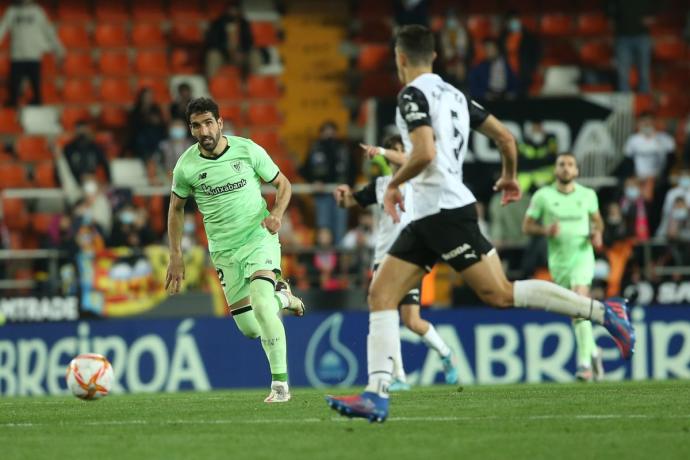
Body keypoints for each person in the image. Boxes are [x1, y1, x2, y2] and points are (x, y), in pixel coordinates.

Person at [325, 25, 635, 423]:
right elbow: (506, 138)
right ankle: (376, 393)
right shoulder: (455, 95)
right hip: (430, 215)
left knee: (500, 293)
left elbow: (423, 152)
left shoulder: (410, 95)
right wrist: (508, 175)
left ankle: (604, 312)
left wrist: (392, 186)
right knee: (381, 294)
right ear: (434, 57)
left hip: (442, 211)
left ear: (400, 58)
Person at [165, 97, 305, 403]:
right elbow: (176, 209)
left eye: (208, 122)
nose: (203, 130)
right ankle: (284, 296)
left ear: (220, 123)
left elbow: (284, 185)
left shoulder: (248, 149)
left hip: (258, 239)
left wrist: (277, 215)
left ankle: (280, 386)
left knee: (262, 305)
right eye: (196, 125)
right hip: (224, 251)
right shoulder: (186, 166)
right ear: (191, 129)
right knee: (250, 329)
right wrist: (175, 254)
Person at [335, 134, 459, 391]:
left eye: (402, 150)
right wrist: (342, 196)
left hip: (409, 256)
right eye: (394, 149)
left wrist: (381, 149)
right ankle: (399, 376)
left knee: (412, 320)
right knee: (387, 315)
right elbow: (350, 202)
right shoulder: (381, 184)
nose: (398, 154)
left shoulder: (418, 179)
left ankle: (445, 353)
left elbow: (407, 160)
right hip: (383, 257)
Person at [522, 153, 605, 382]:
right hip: (559, 262)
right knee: (576, 312)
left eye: (570, 165)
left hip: (582, 256)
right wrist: (545, 231)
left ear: (576, 171)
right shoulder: (543, 196)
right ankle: (594, 350)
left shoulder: (588, 195)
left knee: (580, 300)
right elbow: (527, 226)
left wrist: (597, 233)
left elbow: (598, 221)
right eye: (562, 165)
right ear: (555, 170)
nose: (566, 169)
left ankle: (584, 365)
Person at [300, 121, 356, 245]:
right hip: (322, 195)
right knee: (323, 228)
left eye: (332, 131)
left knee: (340, 228)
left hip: (341, 195)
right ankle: (323, 261)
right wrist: (314, 181)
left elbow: (353, 169)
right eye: (326, 131)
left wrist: (349, 186)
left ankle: (338, 260)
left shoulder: (343, 149)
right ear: (321, 134)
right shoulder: (315, 148)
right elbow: (305, 169)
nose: (329, 135)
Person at [0, 0, 65, 106]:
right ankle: (13, 114)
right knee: (14, 93)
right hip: (17, 56)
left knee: (37, 92)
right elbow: (2, 29)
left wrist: (59, 48)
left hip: (33, 56)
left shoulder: (38, 12)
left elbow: (48, 31)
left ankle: (37, 109)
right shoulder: (11, 11)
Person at [607, 0, 652, 93]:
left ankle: (644, 99)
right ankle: (624, 99)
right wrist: (610, 16)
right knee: (622, 71)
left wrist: (653, 13)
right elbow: (607, 4)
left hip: (641, 34)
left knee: (644, 70)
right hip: (622, 34)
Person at [203, 0, 254, 79]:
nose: (233, 12)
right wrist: (227, 51)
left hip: (240, 55)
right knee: (212, 56)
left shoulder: (244, 24)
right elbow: (213, 42)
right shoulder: (218, 23)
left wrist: (242, 52)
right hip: (223, 55)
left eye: (235, 10)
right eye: (231, 10)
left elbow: (249, 42)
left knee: (254, 56)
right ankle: (212, 84)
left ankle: (254, 84)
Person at [499, 11, 541, 97]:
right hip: (507, 74)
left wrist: (530, 68)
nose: (514, 22)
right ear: (507, 22)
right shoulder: (503, 36)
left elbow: (536, 54)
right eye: (511, 20)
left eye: (515, 19)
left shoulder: (529, 37)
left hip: (524, 73)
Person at [63, 120, 112, 186]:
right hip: (72, 180)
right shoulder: (68, 148)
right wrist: (78, 177)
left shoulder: (95, 147)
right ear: (75, 131)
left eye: (84, 130)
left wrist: (108, 181)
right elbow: (64, 167)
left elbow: (105, 164)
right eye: (80, 130)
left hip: (91, 180)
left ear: (88, 130)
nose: (82, 132)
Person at [127, 88, 168, 162]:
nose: (148, 99)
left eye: (150, 97)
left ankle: (156, 156)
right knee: (141, 140)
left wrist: (157, 121)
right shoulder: (136, 109)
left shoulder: (156, 108)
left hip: (155, 134)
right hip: (140, 135)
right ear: (141, 98)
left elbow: (162, 124)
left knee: (160, 138)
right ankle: (147, 157)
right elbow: (133, 126)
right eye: (146, 97)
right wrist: (147, 120)